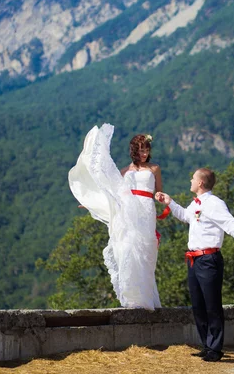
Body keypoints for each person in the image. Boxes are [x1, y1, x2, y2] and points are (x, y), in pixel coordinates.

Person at [68, 123, 164, 310]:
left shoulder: (154, 169)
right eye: (141, 150)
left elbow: (159, 191)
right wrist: (91, 201)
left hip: (146, 209)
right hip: (129, 210)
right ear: (134, 151)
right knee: (129, 248)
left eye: (146, 150)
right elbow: (111, 190)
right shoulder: (125, 171)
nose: (144, 154)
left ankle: (147, 297)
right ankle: (133, 297)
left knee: (146, 252)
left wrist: (161, 197)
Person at [156, 168, 234, 362]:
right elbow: (186, 216)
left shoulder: (214, 203)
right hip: (194, 260)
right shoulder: (197, 203)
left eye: (193, 178)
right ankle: (206, 344)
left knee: (212, 305)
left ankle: (215, 348)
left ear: (201, 183)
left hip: (208, 259)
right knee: (198, 305)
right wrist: (169, 202)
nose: (190, 180)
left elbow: (229, 223)